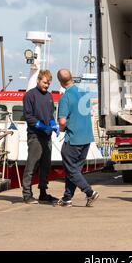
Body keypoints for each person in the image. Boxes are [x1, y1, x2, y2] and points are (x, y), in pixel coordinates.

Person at [56, 69, 99, 207]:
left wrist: (61, 129)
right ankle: (67, 198)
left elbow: (62, 122)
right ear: (71, 78)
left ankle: (89, 192)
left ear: (60, 83)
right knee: (75, 171)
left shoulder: (65, 97)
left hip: (73, 139)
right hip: (86, 138)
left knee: (71, 170)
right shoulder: (84, 93)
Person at [22, 70, 59, 204]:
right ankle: (27, 194)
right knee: (32, 165)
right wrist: (41, 126)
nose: (46, 85)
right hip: (35, 136)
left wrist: (53, 125)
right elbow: (28, 116)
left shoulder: (49, 96)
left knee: (45, 165)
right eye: (44, 82)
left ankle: (43, 192)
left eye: (48, 83)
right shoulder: (29, 96)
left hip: (47, 136)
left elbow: (50, 115)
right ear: (38, 80)